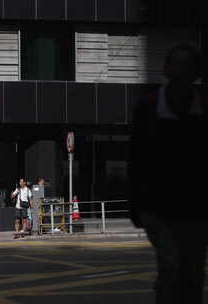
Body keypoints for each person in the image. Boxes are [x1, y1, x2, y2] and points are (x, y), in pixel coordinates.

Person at [130, 43, 208, 304]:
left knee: (194, 270)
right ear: (166, 69)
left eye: (188, 65)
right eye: (177, 64)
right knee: (171, 264)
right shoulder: (148, 107)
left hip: (196, 206)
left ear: (196, 73)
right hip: (158, 205)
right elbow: (136, 158)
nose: (181, 70)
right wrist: (137, 208)